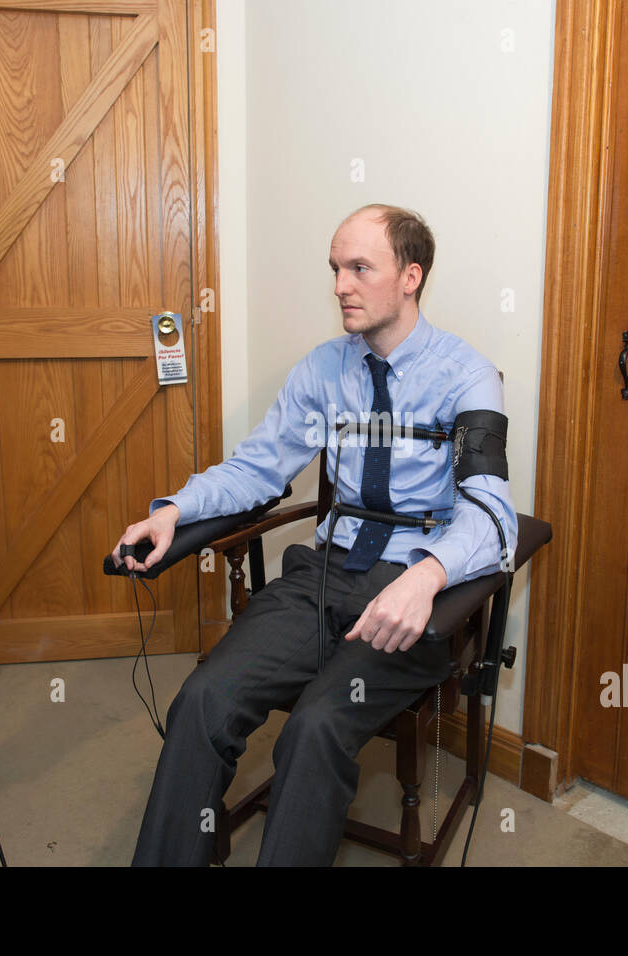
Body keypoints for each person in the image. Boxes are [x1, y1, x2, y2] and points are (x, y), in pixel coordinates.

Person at [117, 203, 518, 866]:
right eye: (336, 268)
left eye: (361, 267)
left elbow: (490, 508)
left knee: (316, 726)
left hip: (408, 595)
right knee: (202, 701)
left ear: (411, 276)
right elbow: (257, 467)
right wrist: (176, 511)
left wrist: (428, 575)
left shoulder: (465, 376)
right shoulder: (323, 370)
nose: (340, 285)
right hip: (323, 576)